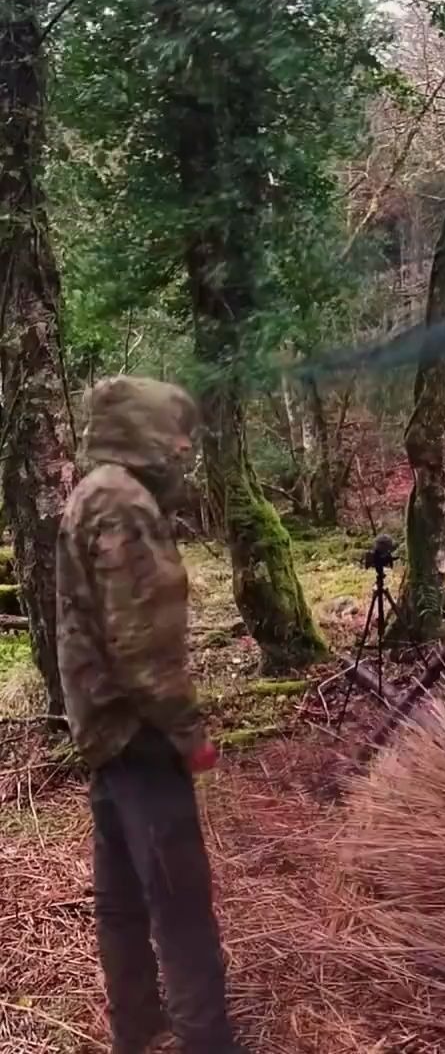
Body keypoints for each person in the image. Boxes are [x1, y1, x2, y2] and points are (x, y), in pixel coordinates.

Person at [56, 376, 244, 1054]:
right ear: (142, 431)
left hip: (104, 730)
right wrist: (187, 732)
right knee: (182, 905)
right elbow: (142, 643)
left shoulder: (89, 492)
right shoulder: (124, 502)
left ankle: (136, 1030)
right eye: (174, 430)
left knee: (122, 902)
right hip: (139, 734)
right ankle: (206, 1042)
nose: (185, 444)